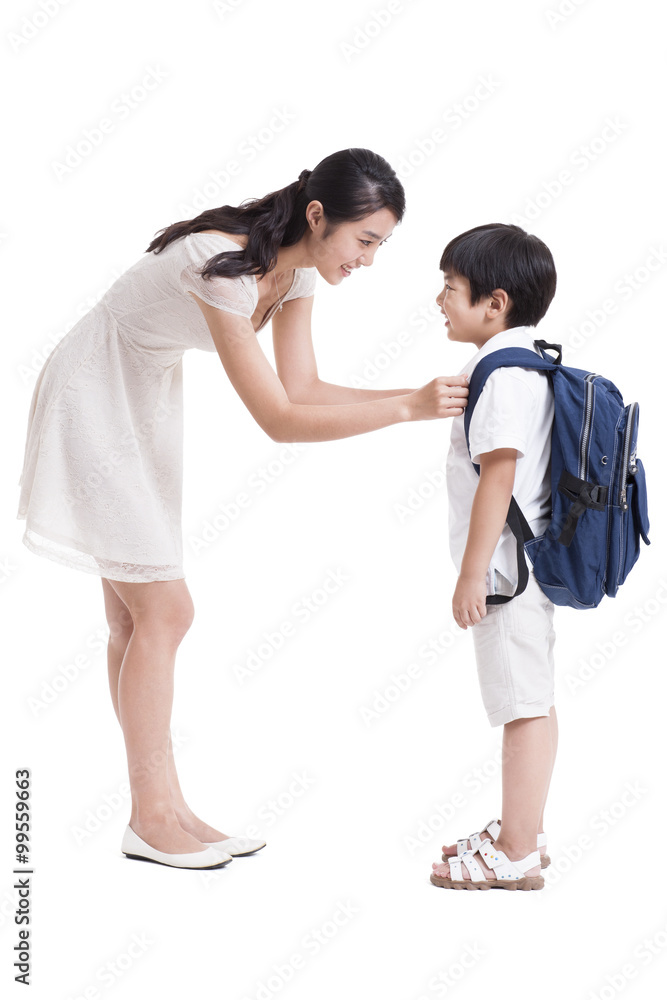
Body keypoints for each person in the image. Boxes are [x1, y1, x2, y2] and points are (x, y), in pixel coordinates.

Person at [17, 147, 469, 870]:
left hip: (143, 400)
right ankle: (149, 815)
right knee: (167, 611)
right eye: (365, 240)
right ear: (317, 216)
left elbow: (306, 387)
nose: (369, 260)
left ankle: (164, 807)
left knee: (135, 617)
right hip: (92, 397)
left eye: (381, 245)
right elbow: (279, 420)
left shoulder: (295, 279)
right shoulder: (218, 264)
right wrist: (404, 409)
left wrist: (411, 402)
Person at [429, 223, 558, 890]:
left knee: (520, 706)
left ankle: (514, 851)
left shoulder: (497, 374)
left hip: (507, 573)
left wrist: (472, 574)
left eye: (450, 288)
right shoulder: (531, 361)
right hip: (528, 565)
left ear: (495, 302)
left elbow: (498, 477)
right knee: (530, 698)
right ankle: (523, 833)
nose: (440, 300)